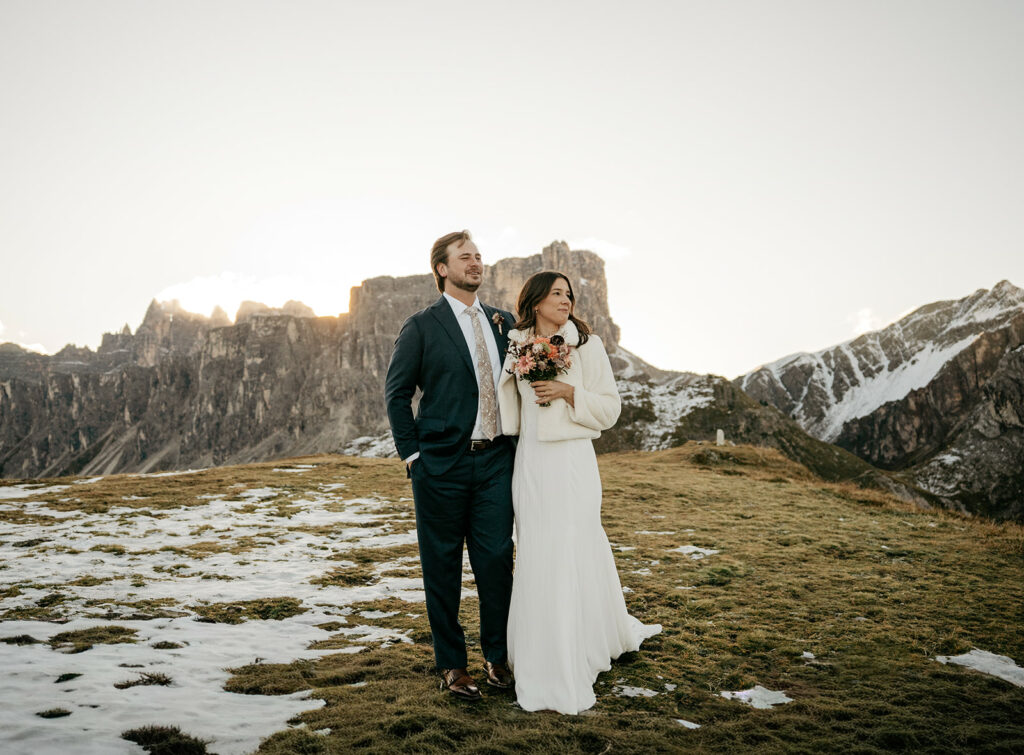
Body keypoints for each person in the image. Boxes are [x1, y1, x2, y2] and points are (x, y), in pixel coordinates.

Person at [497, 271, 662, 715]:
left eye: (569, 294)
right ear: (534, 302)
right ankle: (539, 652)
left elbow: (610, 408)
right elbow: (506, 408)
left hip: (572, 463)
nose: (566, 300)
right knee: (536, 549)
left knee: (572, 546)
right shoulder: (513, 345)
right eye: (556, 294)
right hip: (531, 463)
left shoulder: (586, 345)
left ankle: (576, 652)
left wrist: (570, 393)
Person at [384, 230, 517, 701]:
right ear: (442, 268)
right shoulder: (422, 325)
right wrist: (414, 456)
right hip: (440, 466)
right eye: (465, 257)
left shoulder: (504, 321)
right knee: (441, 567)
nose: (476, 263)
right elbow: (398, 393)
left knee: (498, 561)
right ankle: (452, 666)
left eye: (479, 256)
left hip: (497, 462)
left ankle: (498, 657)